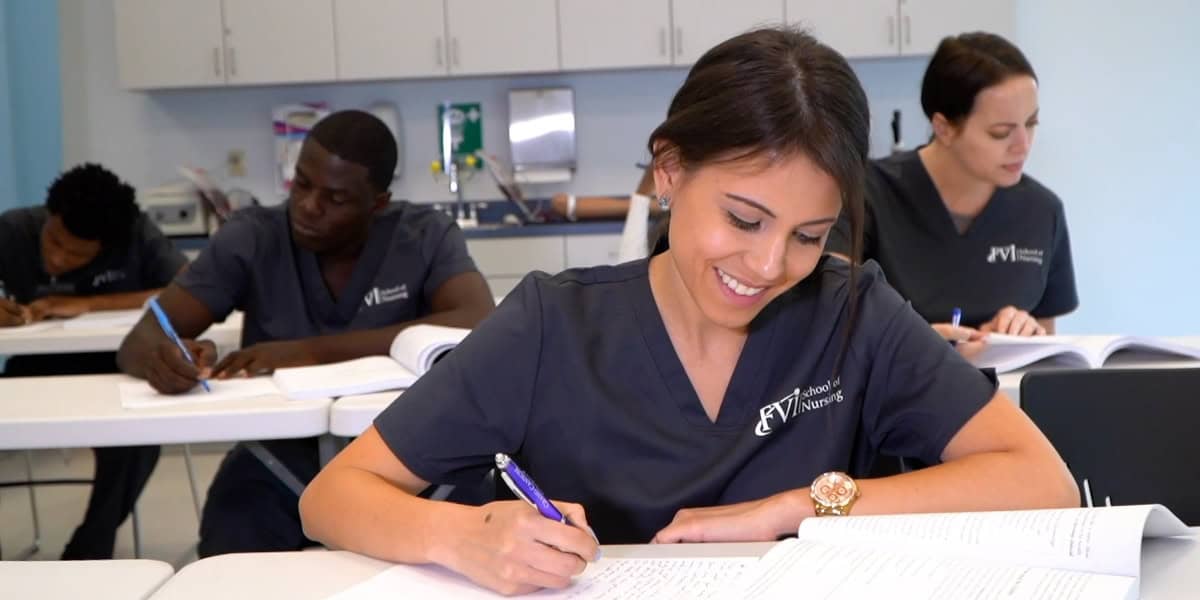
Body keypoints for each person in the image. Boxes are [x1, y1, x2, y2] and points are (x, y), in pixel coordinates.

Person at [298, 28, 1078, 596]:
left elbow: (1042, 480)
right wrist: (465, 537)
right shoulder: (551, 325)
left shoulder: (852, 313)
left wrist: (802, 505)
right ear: (668, 171)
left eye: (809, 234)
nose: (769, 266)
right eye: (743, 220)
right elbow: (332, 495)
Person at [116, 109, 496, 557]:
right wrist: (162, 359)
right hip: (278, 458)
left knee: (478, 542)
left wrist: (309, 351)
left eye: (336, 199)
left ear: (378, 202)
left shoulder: (423, 235)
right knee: (230, 549)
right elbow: (140, 339)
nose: (309, 206)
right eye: (302, 184)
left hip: (409, 456)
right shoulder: (252, 237)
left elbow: (477, 318)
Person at [825, 32, 1077, 349]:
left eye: (1031, 123)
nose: (1023, 145)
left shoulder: (1042, 211)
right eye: (1001, 133)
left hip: (1003, 394)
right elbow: (826, 320)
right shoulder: (866, 195)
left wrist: (1025, 334)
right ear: (943, 128)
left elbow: (1045, 349)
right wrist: (917, 347)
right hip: (895, 393)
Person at [0, 163, 187, 559]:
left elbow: (183, 285)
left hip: (118, 365)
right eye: (54, 241)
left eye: (76, 254)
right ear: (49, 217)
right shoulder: (13, 229)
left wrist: (86, 305)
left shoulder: (134, 233)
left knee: (135, 442)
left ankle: (88, 549)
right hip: (33, 368)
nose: (57, 258)